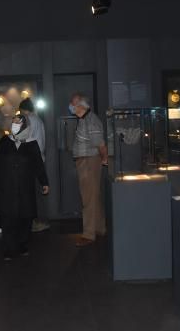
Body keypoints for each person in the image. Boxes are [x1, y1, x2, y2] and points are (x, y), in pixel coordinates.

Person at [0, 114, 49, 260]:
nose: (14, 125)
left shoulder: (32, 143)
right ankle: (8, 249)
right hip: (7, 185)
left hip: (25, 186)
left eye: (18, 123)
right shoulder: (5, 141)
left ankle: (22, 245)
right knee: (8, 218)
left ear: (24, 125)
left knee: (25, 217)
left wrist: (44, 182)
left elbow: (38, 165)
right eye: (13, 123)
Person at [69, 93, 108, 247]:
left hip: (89, 162)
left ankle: (88, 234)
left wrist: (104, 158)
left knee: (88, 198)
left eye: (73, 103)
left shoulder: (91, 120)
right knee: (94, 196)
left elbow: (100, 144)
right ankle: (100, 228)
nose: (71, 106)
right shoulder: (84, 119)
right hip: (87, 161)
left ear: (81, 105)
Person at [18, 98, 50, 233]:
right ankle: (39, 221)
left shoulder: (28, 120)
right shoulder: (39, 119)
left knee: (33, 193)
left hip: (31, 161)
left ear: (23, 110)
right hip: (39, 159)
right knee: (38, 192)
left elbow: (24, 139)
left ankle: (38, 222)